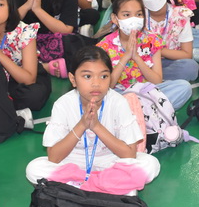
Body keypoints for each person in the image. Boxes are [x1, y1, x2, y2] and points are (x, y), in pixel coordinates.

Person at [24, 46, 160, 193]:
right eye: (87, 76)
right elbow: (54, 157)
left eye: (104, 76)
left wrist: (96, 126)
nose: (96, 83)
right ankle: (108, 187)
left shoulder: (118, 102)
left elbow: (129, 154)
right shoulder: (63, 104)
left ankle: (79, 188)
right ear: (73, 79)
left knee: (150, 164)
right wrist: (82, 124)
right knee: (34, 168)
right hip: (73, 162)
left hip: (110, 161)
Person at [96, 0, 192, 111]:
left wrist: (136, 57)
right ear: (115, 19)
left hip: (147, 92)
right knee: (103, 99)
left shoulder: (152, 40)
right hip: (121, 95)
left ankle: (137, 112)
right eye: (126, 15)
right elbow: (107, 86)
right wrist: (126, 57)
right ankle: (144, 112)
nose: (133, 19)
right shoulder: (105, 46)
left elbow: (157, 81)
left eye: (138, 14)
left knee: (183, 87)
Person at [137, 0, 199, 80]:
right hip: (142, 63)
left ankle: (151, 78)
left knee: (190, 67)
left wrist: (158, 50)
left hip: (168, 61)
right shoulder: (136, 16)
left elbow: (186, 54)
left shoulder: (180, 15)